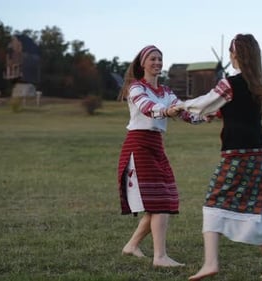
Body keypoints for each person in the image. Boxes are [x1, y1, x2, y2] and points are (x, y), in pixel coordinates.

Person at [177, 34, 262, 280]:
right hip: (259, 154)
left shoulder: (230, 84)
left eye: (230, 51)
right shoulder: (257, 87)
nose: (229, 55)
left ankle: (211, 263)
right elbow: (212, 113)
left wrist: (182, 106)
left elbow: (205, 103)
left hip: (237, 154)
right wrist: (187, 114)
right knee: (252, 205)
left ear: (236, 54)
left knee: (213, 201)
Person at [117, 45, 201, 267]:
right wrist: (165, 111)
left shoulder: (166, 92)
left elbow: (185, 114)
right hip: (138, 145)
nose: (157, 62)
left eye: (160, 59)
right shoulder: (135, 88)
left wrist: (209, 115)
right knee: (160, 201)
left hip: (156, 145)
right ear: (143, 63)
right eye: (152, 59)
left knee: (162, 199)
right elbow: (147, 107)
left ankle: (131, 245)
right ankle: (160, 257)